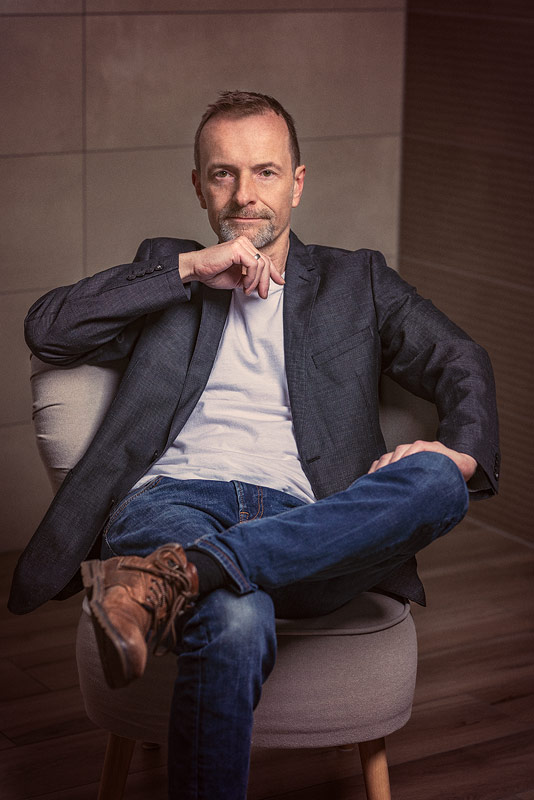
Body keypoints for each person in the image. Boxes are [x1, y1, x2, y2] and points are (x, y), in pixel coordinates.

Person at [9, 91, 499, 799]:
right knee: (236, 618)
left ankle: (173, 578)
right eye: (223, 174)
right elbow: (48, 329)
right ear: (199, 186)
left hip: (314, 523)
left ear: (297, 182)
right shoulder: (168, 268)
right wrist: (188, 270)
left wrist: (461, 450)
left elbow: (458, 357)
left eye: (265, 171)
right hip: (174, 503)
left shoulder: (356, 280)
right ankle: (193, 569)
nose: (245, 194)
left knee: (443, 481)